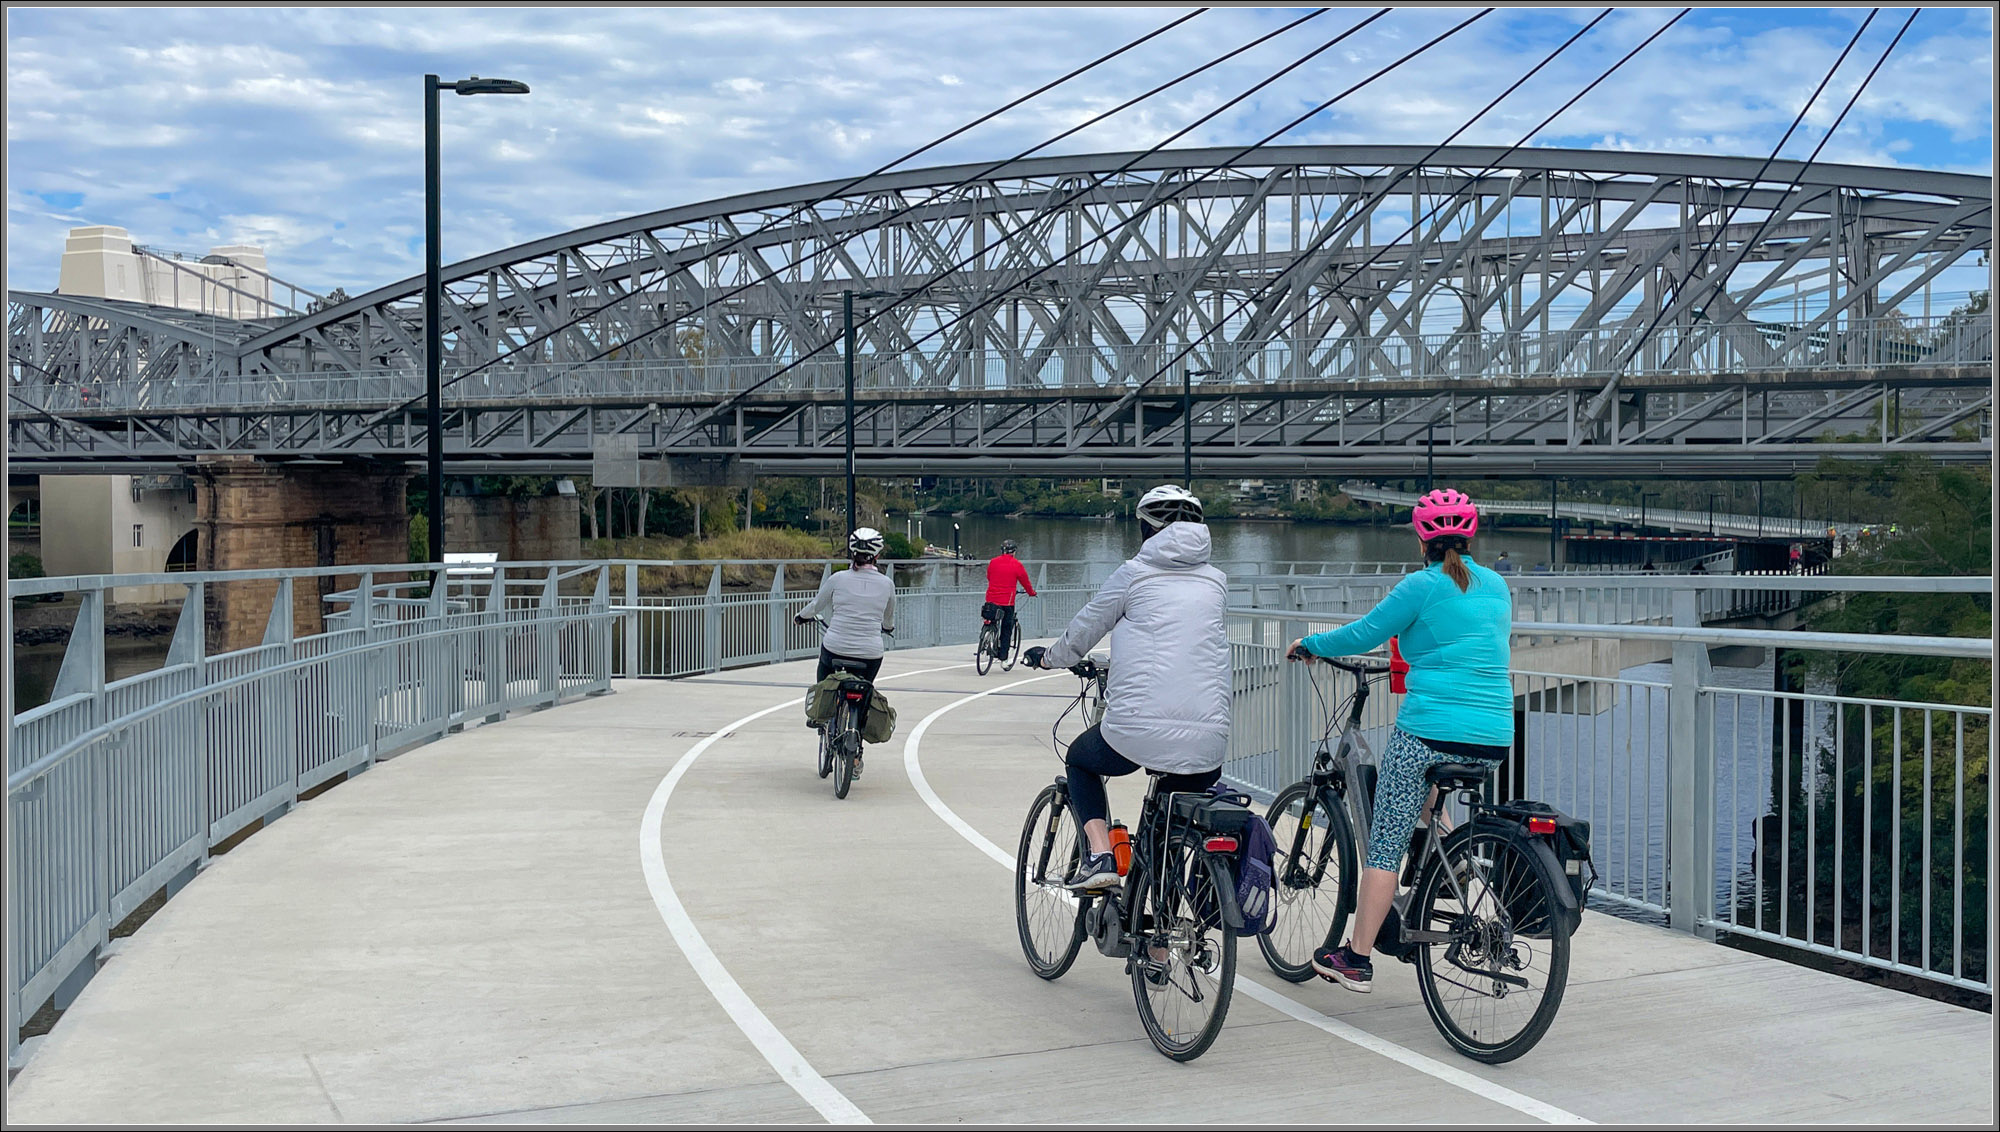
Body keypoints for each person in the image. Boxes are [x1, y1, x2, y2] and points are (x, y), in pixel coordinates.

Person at [1286, 487, 1513, 992]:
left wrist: (1310, 644)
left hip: (1431, 729)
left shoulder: (1421, 586)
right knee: (1429, 791)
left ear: (1421, 541)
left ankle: (1356, 957)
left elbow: (1364, 633)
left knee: (1385, 845)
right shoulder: (1498, 585)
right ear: (1471, 536)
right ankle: (1448, 864)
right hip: (1495, 736)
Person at [1023, 485, 1230, 891]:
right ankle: (1159, 938)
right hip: (1210, 741)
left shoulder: (1133, 574)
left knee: (1081, 759)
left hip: (1138, 729)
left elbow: (1083, 631)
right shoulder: (1217, 582)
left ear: (1145, 528)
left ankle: (1100, 854)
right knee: (1167, 827)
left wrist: (1049, 657)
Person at [796, 528, 896, 774]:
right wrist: (887, 628)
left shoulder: (838, 579)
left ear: (852, 551)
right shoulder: (887, 584)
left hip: (836, 647)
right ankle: (856, 748)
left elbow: (817, 605)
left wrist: (801, 617)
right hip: (870, 654)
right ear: (878, 553)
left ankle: (821, 714)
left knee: (824, 674)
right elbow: (889, 619)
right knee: (864, 692)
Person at [982, 538, 1037, 660]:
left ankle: (986, 637)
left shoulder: (993, 562)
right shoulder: (1017, 565)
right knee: (1007, 627)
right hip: (1007, 601)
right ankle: (1003, 657)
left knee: (991, 618)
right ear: (1014, 552)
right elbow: (1025, 582)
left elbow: (989, 577)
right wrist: (1031, 593)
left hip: (991, 599)